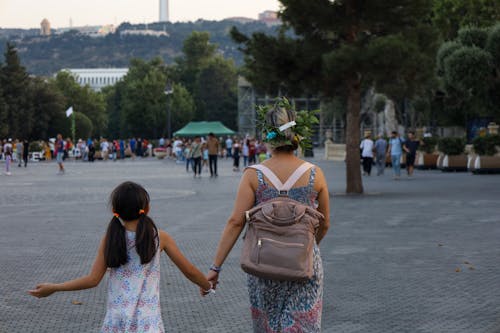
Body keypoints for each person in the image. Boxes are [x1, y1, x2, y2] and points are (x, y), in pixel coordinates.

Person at [205, 105, 330, 332]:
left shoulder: (254, 174)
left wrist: (216, 267)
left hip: (264, 263)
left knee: (268, 324)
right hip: (304, 264)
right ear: (296, 133)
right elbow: (325, 223)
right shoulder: (315, 174)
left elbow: (235, 221)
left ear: (267, 134)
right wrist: (306, 247)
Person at [28, 181, 213, 332]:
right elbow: (188, 270)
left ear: (115, 210)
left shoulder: (111, 237)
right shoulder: (158, 236)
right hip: (148, 322)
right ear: (146, 208)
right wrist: (207, 285)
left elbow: (92, 280)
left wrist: (55, 287)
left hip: (116, 322)